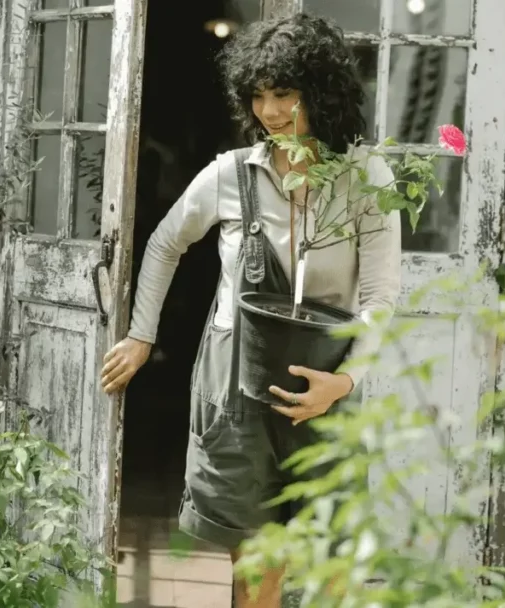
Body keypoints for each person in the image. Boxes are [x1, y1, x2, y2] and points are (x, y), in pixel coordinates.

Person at [99, 12, 401, 608]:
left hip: (325, 391)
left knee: (330, 568)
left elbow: (380, 298)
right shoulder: (231, 173)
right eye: (258, 96)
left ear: (321, 92)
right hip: (235, 393)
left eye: (284, 94)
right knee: (255, 566)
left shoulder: (367, 178)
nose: (269, 111)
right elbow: (165, 243)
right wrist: (140, 335)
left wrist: (342, 382)